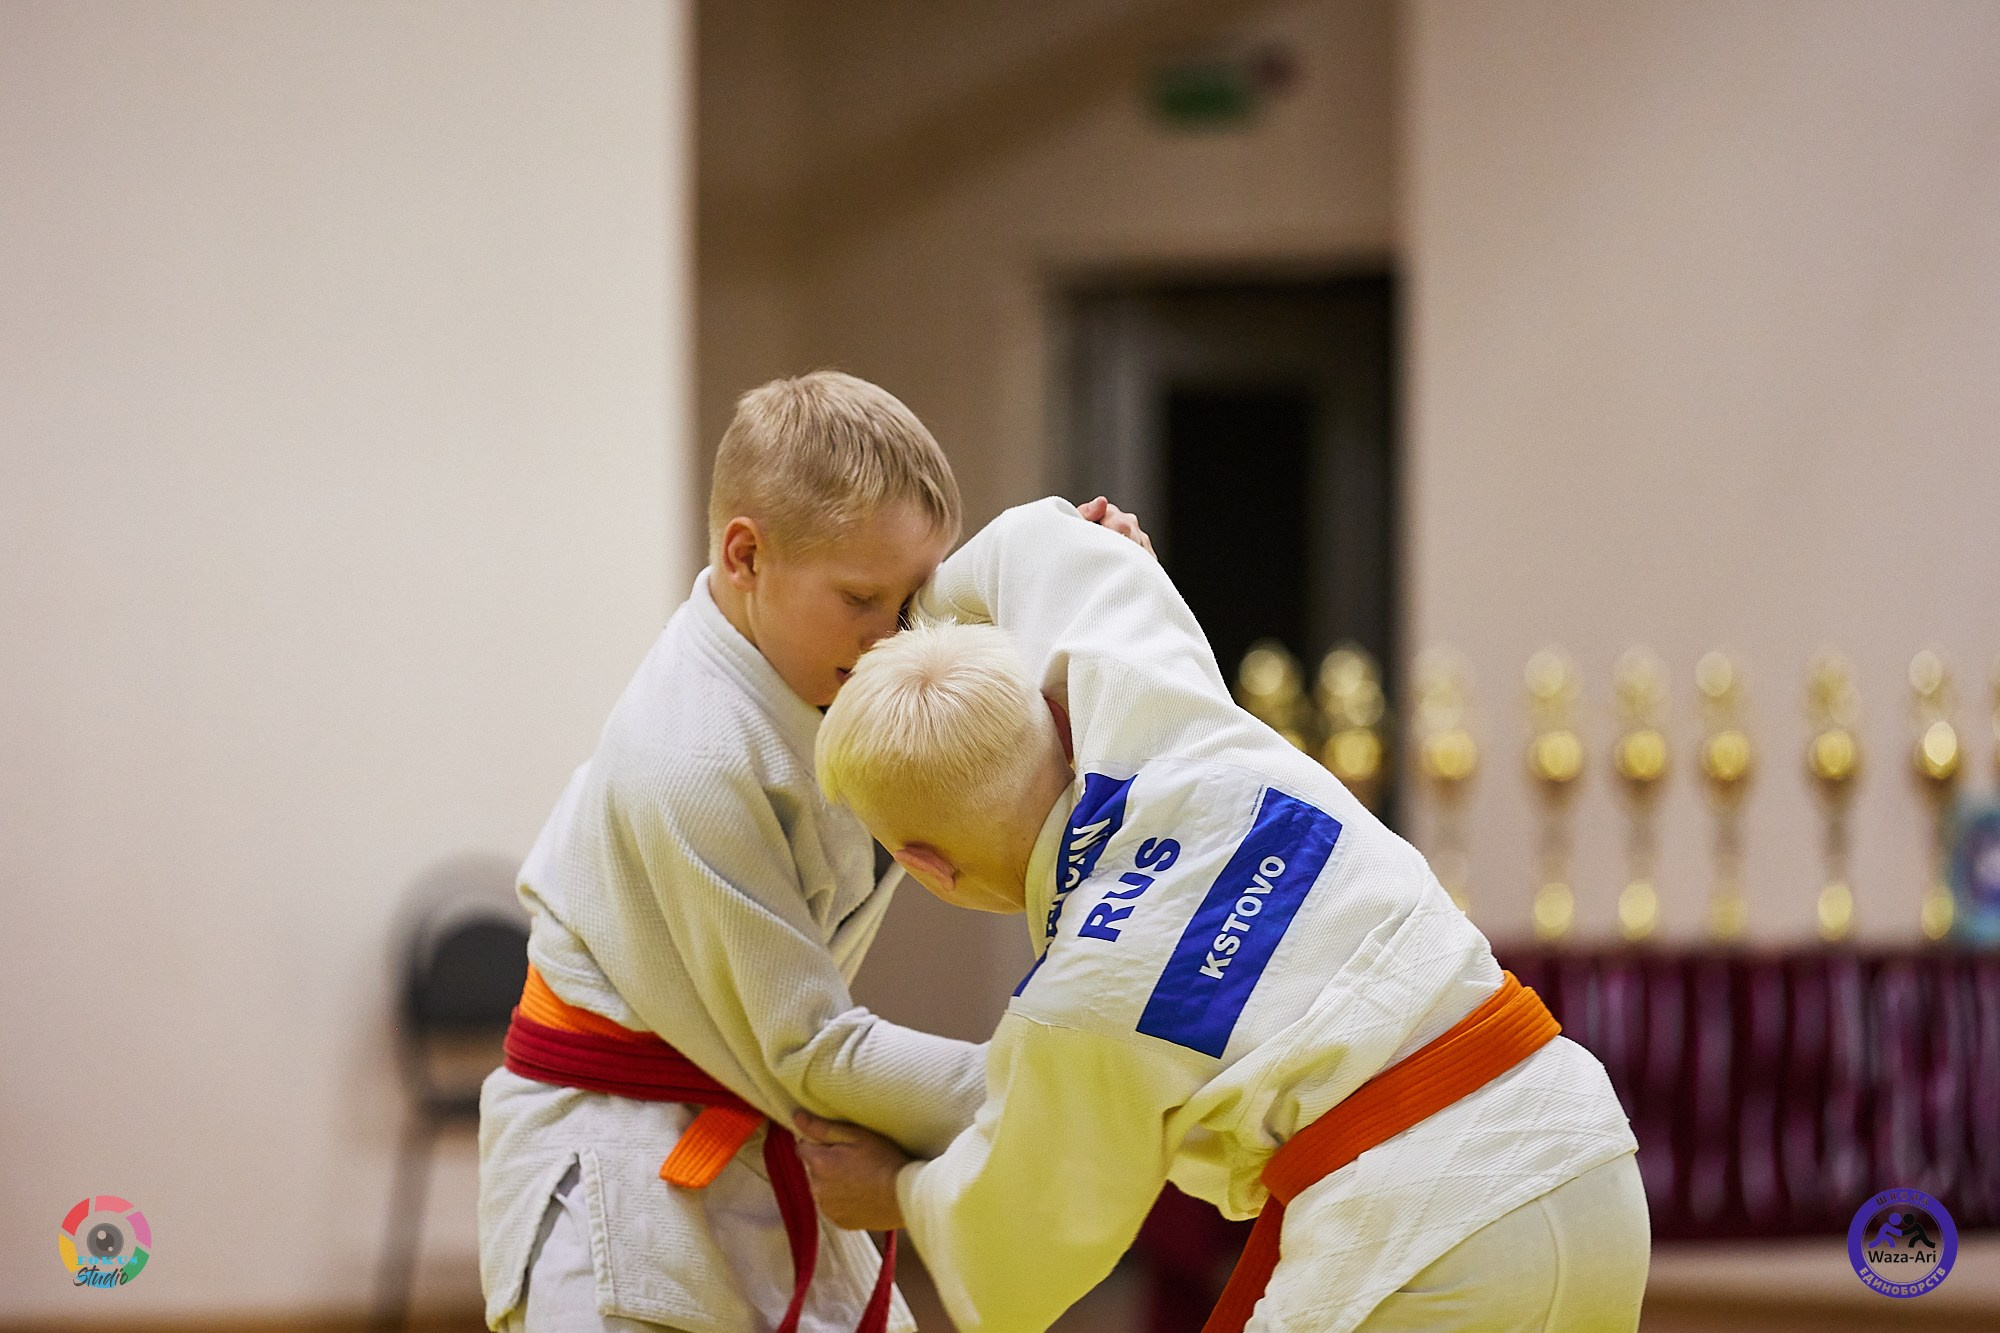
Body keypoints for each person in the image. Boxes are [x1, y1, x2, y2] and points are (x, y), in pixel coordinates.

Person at [799, 496, 1650, 1333]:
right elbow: (1035, 542)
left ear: (927, 865)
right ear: (1050, 715)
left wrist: (897, 1192)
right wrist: (914, 631)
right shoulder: (1146, 688)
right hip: (1580, 1154)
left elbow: (1021, 1231)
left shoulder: (1081, 996)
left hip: (1415, 1239)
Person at [477, 373, 1150, 1333]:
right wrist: (1067, 1092)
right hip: (622, 1157)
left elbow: (995, 597)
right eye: (865, 601)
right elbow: (810, 1047)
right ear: (746, 554)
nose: (897, 636)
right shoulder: (692, 751)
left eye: (916, 596)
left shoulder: (848, 626)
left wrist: (1098, 586)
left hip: (764, 1116)